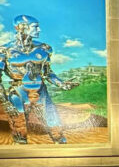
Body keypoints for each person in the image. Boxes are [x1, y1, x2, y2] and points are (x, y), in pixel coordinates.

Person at [1, 15, 78, 144]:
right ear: (22, 27)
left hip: (41, 92)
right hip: (18, 93)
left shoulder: (44, 49)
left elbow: (47, 73)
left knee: (56, 128)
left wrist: (62, 84)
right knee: (20, 131)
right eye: (35, 27)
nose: (39, 30)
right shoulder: (5, 51)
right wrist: (6, 103)